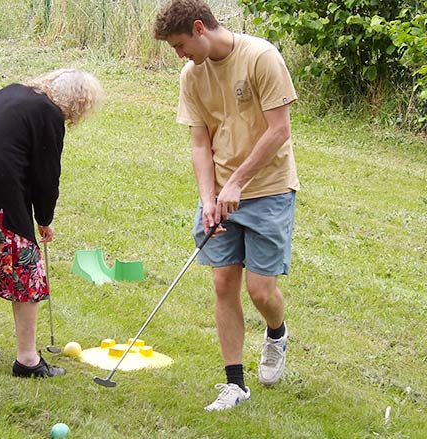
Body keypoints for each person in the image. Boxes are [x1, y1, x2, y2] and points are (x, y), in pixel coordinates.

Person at [153, 0, 299, 411]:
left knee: (261, 290)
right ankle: (235, 383)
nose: (180, 55)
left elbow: (279, 131)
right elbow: (200, 142)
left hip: (268, 188)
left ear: (200, 28)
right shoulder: (191, 76)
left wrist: (236, 182)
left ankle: (276, 333)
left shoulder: (260, 57)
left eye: (181, 45)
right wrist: (208, 198)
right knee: (222, 284)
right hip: (220, 194)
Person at [0, 69, 103, 378]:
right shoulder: (48, 114)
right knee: (27, 270)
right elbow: (46, 176)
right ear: (78, 102)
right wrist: (44, 220)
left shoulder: (12, 91)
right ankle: (27, 359)